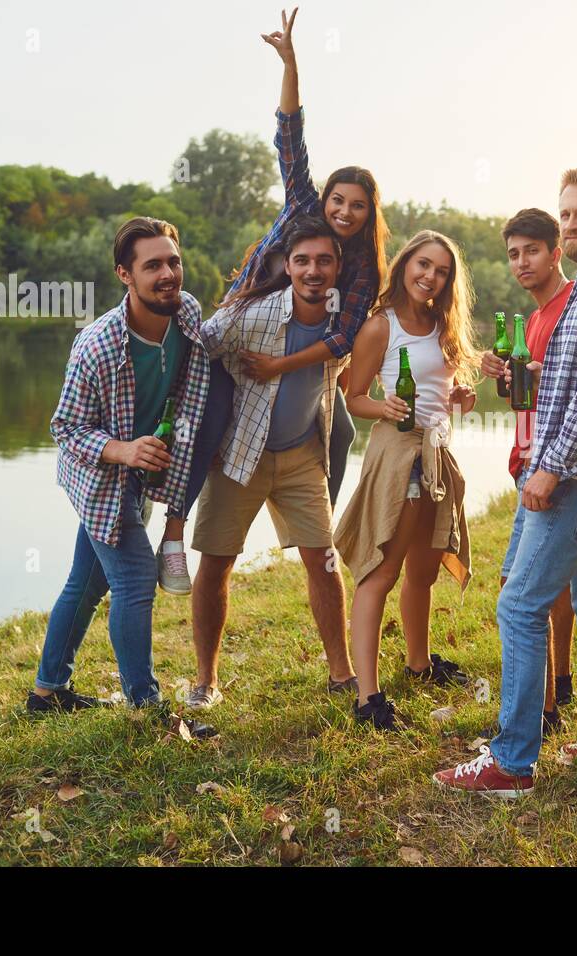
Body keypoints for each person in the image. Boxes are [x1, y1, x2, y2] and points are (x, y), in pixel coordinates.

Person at [435, 170, 577, 796]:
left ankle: (511, 762)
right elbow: (568, 381)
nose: (570, 224)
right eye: (565, 214)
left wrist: (551, 468)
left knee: (520, 605)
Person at [152, 6, 389, 595]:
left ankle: (318, 531)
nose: (344, 213)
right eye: (339, 200)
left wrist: (286, 366)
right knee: (209, 423)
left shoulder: (360, 263)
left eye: (357, 206)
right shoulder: (304, 207)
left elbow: (341, 337)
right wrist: (291, 63)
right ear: (326, 198)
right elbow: (290, 133)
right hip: (243, 327)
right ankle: (174, 533)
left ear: (368, 214)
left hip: (297, 355)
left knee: (335, 435)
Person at [29, 216, 216, 739]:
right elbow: (64, 428)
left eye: (173, 261)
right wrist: (125, 450)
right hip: (98, 476)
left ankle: (47, 691)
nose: (167, 274)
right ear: (125, 276)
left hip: (144, 475)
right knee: (134, 578)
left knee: (86, 583)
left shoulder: (188, 315)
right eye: (152, 265)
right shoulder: (96, 345)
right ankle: (146, 707)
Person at [184, 216, 356, 709]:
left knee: (324, 561)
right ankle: (206, 682)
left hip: (304, 453)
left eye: (324, 260)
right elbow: (197, 354)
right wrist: (204, 429)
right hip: (241, 452)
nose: (313, 270)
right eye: (302, 260)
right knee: (216, 563)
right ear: (287, 264)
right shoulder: (251, 314)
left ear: (338, 266)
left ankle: (341, 675)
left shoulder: (346, 319)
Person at [334, 230, 480, 730]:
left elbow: (441, 387)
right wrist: (384, 405)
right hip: (399, 454)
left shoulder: (441, 325)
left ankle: (419, 664)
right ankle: (367, 698)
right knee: (383, 569)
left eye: (441, 270)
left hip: (438, 451)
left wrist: (458, 396)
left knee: (424, 569)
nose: (430, 276)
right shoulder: (381, 326)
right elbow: (353, 397)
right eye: (423, 264)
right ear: (404, 266)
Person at [480, 208, 576, 736]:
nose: (521, 262)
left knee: (517, 587)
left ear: (555, 252)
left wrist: (547, 467)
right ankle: (559, 682)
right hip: (529, 459)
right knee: (555, 585)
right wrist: (504, 374)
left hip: (548, 467)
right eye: (514, 254)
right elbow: (528, 396)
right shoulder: (533, 319)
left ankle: (540, 713)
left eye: (532, 251)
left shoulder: (566, 311)